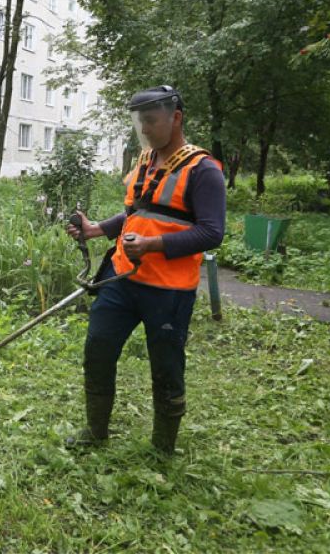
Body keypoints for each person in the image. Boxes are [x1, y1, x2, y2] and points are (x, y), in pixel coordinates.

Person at [66, 85, 226, 454]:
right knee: (98, 349)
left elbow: (212, 232)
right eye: (140, 123)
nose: (145, 130)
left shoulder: (204, 171)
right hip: (121, 278)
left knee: (167, 367)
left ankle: (163, 448)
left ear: (176, 118)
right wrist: (96, 230)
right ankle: (96, 430)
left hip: (169, 290)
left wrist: (154, 245)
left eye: (151, 121)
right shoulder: (146, 160)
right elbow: (137, 213)